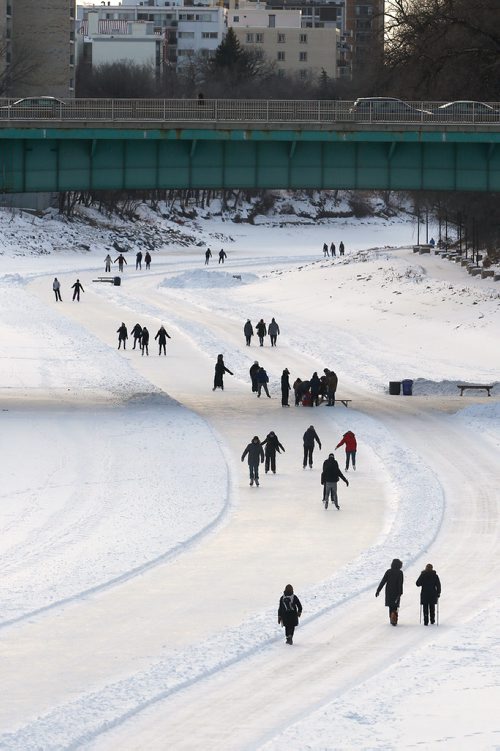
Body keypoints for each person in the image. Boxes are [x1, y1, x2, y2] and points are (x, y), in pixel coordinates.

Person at [376, 558, 404, 626]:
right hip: (396, 591)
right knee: (395, 606)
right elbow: (400, 583)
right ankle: (394, 617)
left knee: (391, 606)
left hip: (389, 591)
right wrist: (400, 592)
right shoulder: (400, 573)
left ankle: (392, 618)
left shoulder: (388, 571)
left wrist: (378, 590)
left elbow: (383, 581)